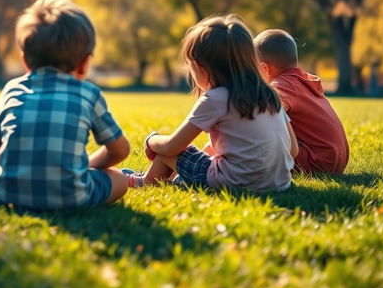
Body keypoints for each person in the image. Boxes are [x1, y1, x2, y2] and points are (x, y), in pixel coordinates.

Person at [0, 0, 130, 212]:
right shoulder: (89, 93)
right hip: (72, 197)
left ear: (25, 60)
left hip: (9, 196)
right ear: (85, 62)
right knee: (120, 179)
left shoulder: (12, 88)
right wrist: (86, 166)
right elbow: (119, 151)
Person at [124, 15, 298, 192]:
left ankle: (143, 182)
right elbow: (293, 150)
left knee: (169, 152)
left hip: (233, 182)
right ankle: (172, 179)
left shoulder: (216, 97)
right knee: (191, 157)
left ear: (200, 67)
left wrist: (150, 140)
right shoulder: (269, 94)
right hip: (278, 183)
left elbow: (172, 146)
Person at [254, 29, 349, 174]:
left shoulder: (282, 85)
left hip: (316, 161)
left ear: (264, 68)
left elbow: (270, 110)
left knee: (253, 153)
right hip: (335, 158)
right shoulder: (302, 81)